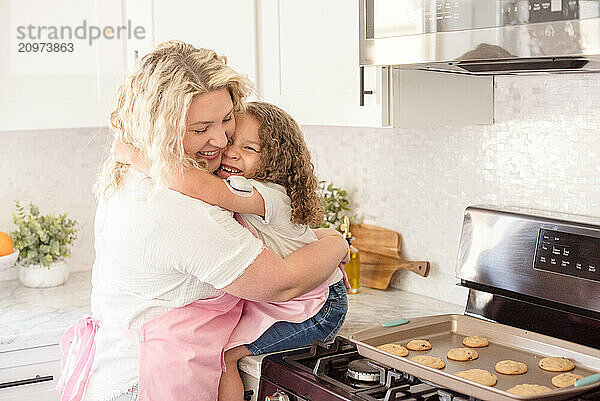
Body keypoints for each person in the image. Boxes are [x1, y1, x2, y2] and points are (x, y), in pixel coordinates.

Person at [56, 40, 349, 401]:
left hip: (121, 371)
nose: (221, 139)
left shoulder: (136, 173)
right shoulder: (175, 207)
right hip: (147, 383)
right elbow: (280, 284)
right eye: (200, 129)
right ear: (160, 129)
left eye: (227, 119)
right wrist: (337, 244)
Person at [114, 101, 349, 400]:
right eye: (231, 141)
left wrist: (137, 156)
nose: (232, 152)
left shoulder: (267, 194)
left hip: (318, 308)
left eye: (249, 149)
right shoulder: (248, 190)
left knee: (227, 358)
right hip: (290, 302)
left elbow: (201, 188)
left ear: (275, 160)